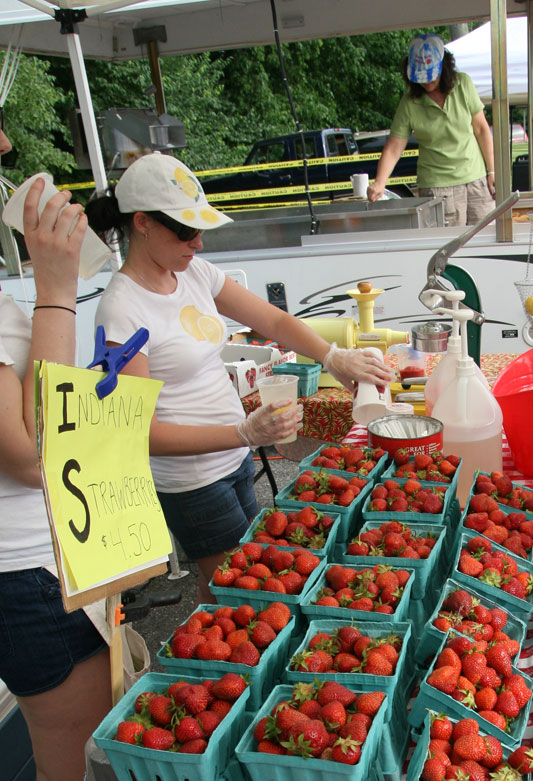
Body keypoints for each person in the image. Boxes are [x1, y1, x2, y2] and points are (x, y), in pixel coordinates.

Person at [86, 152, 391, 603]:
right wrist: (242, 430)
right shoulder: (121, 310)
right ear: (142, 223)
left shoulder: (193, 274)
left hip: (234, 460)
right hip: (191, 482)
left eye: (201, 230)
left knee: (257, 578)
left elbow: (273, 321)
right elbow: (137, 433)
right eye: (186, 231)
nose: (199, 243)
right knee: (241, 601)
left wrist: (332, 356)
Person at [0, 146, 112, 781]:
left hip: (49, 559)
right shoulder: (37, 289)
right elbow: (37, 449)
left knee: (76, 762)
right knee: (80, 772)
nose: (7, 147)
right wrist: (56, 289)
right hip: (29, 574)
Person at [367, 34, 495, 227]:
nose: (427, 82)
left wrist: (492, 171)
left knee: (485, 241)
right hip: (438, 186)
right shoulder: (409, 103)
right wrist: (380, 182)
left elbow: (481, 129)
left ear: (444, 67)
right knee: (449, 248)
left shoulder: (463, 84)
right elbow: (394, 148)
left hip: (477, 180)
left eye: (431, 74)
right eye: (421, 76)